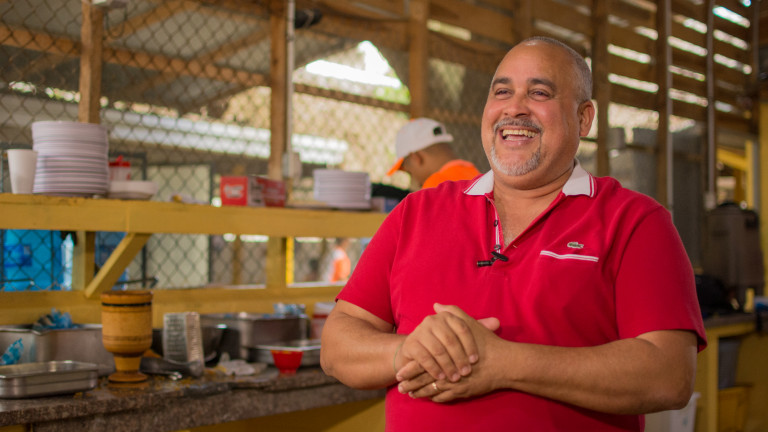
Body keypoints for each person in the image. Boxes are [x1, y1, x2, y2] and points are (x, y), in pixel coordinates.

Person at [320, 36, 707, 432]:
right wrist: (411, 351)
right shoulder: (415, 213)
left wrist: (505, 363)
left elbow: (669, 375)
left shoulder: (635, 221)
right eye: (502, 91)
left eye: (539, 92)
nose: (514, 107)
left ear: (584, 118)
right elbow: (337, 345)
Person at [387, 117, 481, 189]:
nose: (417, 182)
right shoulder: (477, 176)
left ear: (416, 158)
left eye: (410, 173)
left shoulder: (435, 186)